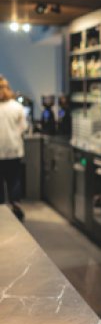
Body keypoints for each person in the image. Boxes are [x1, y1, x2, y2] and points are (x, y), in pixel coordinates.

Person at [0, 76, 27, 221]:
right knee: (14, 180)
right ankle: (16, 207)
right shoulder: (17, 107)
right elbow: (23, 128)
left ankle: (1, 212)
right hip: (14, 151)